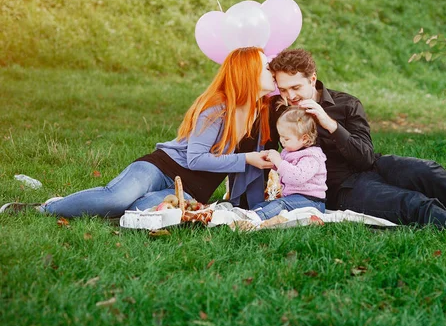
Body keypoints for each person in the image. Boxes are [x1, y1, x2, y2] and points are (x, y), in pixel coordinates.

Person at [266, 49, 446, 251]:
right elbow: (265, 150)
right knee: (412, 202)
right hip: (340, 188)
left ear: (312, 79)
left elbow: (364, 157)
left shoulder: (346, 104)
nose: (290, 96)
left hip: (372, 166)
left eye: (296, 87)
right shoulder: (279, 113)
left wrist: (329, 123)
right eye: (284, 89)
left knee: (429, 172)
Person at [0, 47, 276, 218]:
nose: (271, 67)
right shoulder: (217, 109)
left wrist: (254, 211)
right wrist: (247, 159)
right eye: (265, 65)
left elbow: (250, 174)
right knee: (115, 198)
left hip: (191, 192)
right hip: (162, 167)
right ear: (247, 72)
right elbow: (195, 159)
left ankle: (86, 208)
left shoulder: (260, 113)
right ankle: (45, 208)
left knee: (137, 211)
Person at [250, 105, 327, 220]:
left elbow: (296, 176)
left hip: (311, 201)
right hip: (292, 198)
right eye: (281, 136)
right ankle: (250, 214)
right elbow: (284, 168)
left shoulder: (312, 156)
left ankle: (257, 219)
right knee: (265, 205)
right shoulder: (290, 151)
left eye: (286, 139)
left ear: (304, 139)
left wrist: (278, 161)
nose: (282, 141)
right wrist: (271, 160)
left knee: (280, 205)